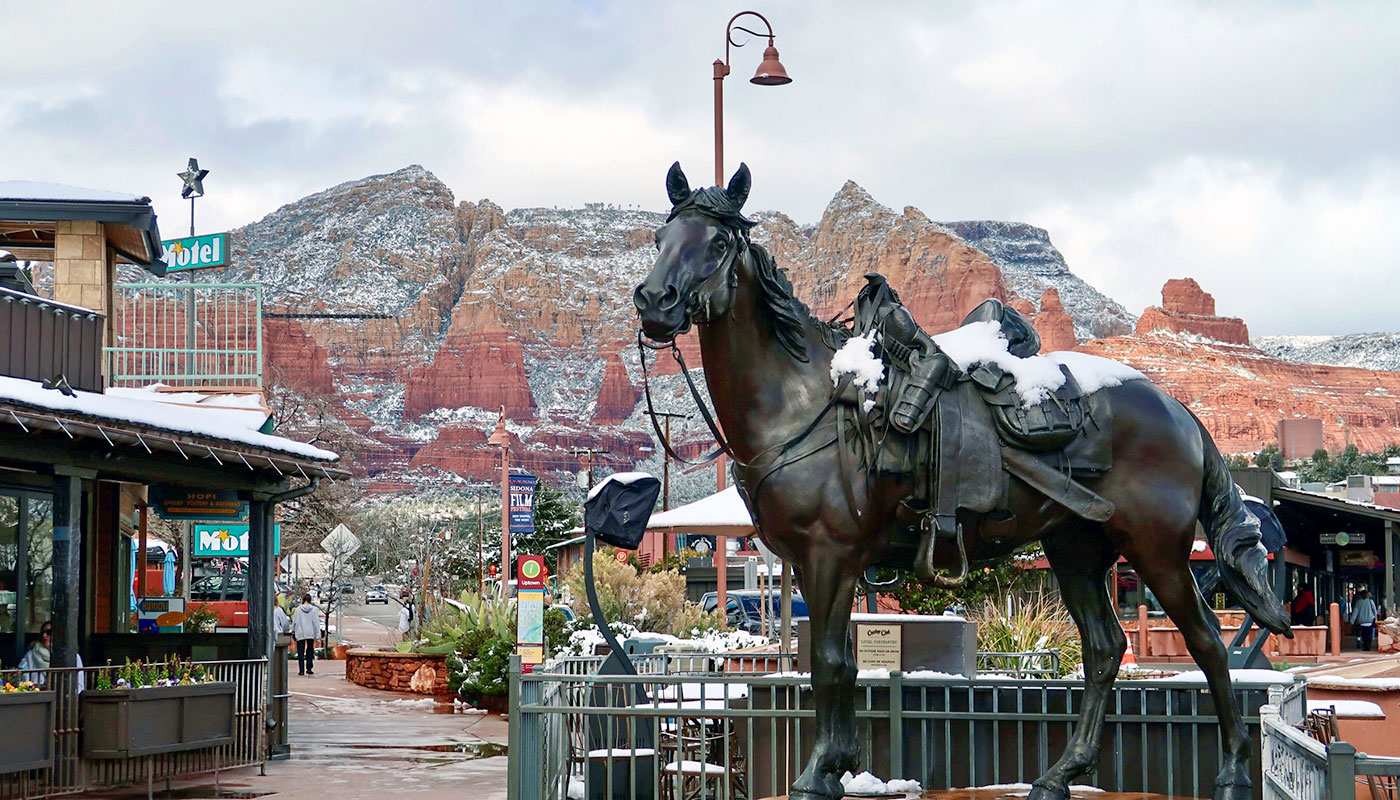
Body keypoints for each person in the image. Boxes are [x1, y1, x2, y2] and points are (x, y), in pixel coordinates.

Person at [291, 594, 320, 675]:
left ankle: (301, 670)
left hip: (300, 632)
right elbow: (316, 623)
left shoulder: (298, 610)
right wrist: (317, 634)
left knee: (300, 651)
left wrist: (293, 631)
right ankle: (309, 668)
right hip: (310, 632)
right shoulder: (314, 610)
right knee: (310, 650)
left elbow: (295, 622)